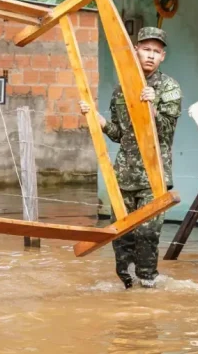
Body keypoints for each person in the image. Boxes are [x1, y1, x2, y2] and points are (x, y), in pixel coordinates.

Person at [79, 26, 182, 289]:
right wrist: (99, 121)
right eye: (146, 49)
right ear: (136, 50)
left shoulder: (168, 87)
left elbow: (167, 132)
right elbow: (120, 134)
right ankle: (126, 288)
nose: (151, 55)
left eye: (156, 51)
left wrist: (152, 107)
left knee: (147, 234)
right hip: (124, 175)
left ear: (163, 56)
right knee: (121, 236)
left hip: (153, 176)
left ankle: (147, 285)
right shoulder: (121, 89)